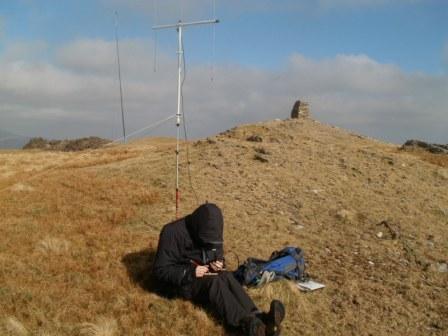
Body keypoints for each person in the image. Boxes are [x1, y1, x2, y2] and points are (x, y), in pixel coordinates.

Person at [153, 203, 286, 336]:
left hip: (202, 273)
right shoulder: (171, 233)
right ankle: (244, 324)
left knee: (226, 275)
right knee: (214, 282)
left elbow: (217, 254)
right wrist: (191, 272)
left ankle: (259, 318)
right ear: (198, 229)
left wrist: (219, 264)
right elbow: (160, 270)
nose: (210, 243)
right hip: (179, 283)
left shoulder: (212, 235)